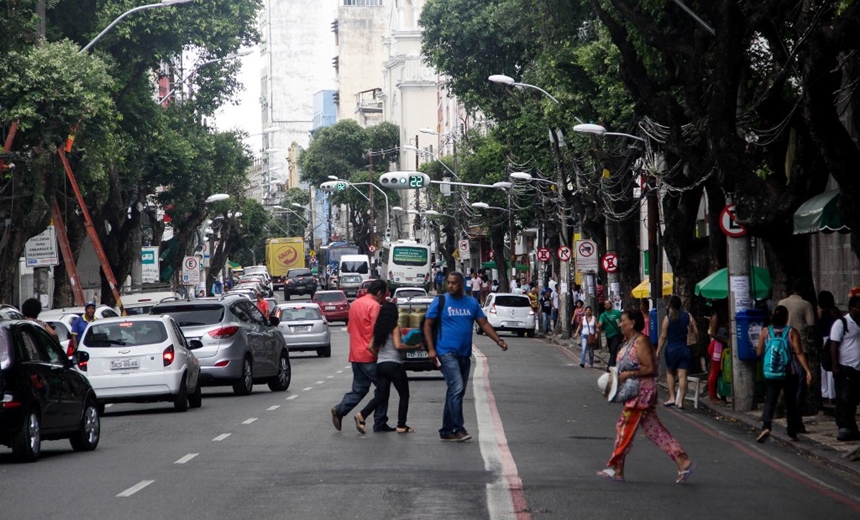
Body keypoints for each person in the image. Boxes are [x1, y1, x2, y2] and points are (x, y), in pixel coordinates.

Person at [598, 308, 694, 484]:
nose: (621, 324)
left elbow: (651, 368)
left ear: (632, 323)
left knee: (624, 428)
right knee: (654, 431)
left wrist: (628, 375)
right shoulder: (629, 342)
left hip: (641, 393)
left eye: (623, 321)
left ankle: (616, 467)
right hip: (636, 392)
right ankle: (682, 461)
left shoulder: (641, 341)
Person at [424, 272, 508, 442]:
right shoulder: (440, 301)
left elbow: (483, 323)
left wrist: (498, 340)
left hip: (464, 353)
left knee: (455, 391)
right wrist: (431, 350)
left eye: (453, 283)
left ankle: (446, 430)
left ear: (462, 284)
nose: (450, 286)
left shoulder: (471, 303)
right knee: (457, 387)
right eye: (448, 283)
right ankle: (458, 428)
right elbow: (427, 325)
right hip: (445, 352)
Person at [331, 280, 392, 432]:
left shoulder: (356, 304)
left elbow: (350, 328)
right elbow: (376, 332)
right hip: (369, 355)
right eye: (383, 295)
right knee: (383, 389)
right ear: (378, 293)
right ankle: (379, 421)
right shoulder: (375, 306)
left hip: (355, 354)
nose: (383, 298)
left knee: (359, 389)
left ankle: (340, 410)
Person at [755, 305, 812, 443]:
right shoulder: (792, 332)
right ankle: (792, 432)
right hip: (789, 372)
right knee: (791, 402)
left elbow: (759, 352)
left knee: (770, 400)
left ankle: (766, 426)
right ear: (786, 318)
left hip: (771, 372)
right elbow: (798, 352)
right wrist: (807, 370)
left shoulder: (765, 332)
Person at [354, 302, 413, 434]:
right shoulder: (395, 327)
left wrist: (379, 356)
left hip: (381, 365)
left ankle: (362, 415)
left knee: (381, 395)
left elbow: (370, 347)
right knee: (404, 395)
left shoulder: (378, 328)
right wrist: (414, 347)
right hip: (394, 365)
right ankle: (401, 425)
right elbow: (398, 346)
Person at [777, 280, 816, 424]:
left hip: (783, 346)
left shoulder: (781, 302)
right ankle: (796, 412)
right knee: (800, 381)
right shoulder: (806, 304)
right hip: (800, 346)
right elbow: (811, 326)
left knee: (786, 380)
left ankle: (789, 409)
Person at [656, 296, 699, 409]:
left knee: (670, 373)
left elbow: (663, 336)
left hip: (671, 349)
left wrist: (658, 351)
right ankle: (681, 402)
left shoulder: (667, 318)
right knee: (682, 376)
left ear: (670, 305)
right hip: (685, 349)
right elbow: (696, 332)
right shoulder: (688, 316)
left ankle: (672, 397)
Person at [828, 295, 860, 441]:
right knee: (844, 398)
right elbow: (834, 344)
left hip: (857, 368)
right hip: (845, 366)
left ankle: (852, 427)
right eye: (858, 308)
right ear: (851, 308)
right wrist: (835, 366)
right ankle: (843, 427)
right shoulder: (842, 323)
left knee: (853, 399)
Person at [817, 291, 839, 404]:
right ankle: (832, 393)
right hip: (833, 339)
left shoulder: (819, 312)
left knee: (823, 367)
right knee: (830, 366)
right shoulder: (835, 312)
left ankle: (824, 392)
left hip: (823, 340)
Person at [706, 302, 729, 403]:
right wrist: (725, 341)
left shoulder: (723, 318)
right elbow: (713, 334)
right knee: (715, 371)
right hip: (717, 347)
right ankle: (712, 396)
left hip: (722, 347)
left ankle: (721, 393)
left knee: (720, 371)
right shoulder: (716, 318)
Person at [598, 299, 623, 371]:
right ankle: (615, 365)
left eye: (608, 304)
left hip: (617, 334)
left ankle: (609, 368)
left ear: (611, 304)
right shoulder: (603, 315)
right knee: (612, 352)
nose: (607, 305)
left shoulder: (617, 313)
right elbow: (600, 323)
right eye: (605, 304)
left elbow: (622, 322)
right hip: (608, 336)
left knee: (613, 351)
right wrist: (598, 326)